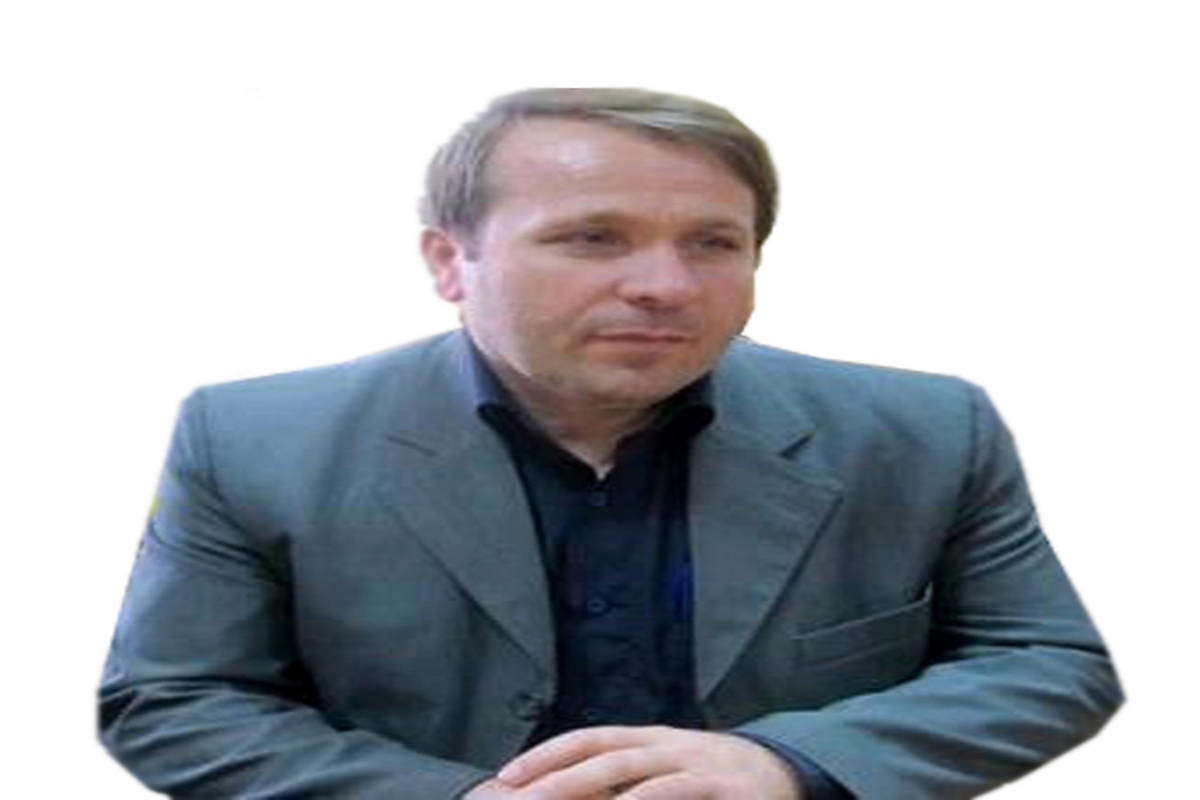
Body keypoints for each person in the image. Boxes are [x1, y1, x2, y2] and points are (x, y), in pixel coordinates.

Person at [98, 88, 1123, 799]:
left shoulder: (923, 431)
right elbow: (176, 698)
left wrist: (791, 763)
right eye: (593, 237)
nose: (665, 285)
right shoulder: (252, 439)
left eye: (713, 243)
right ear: (450, 261)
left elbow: (1046, 661)